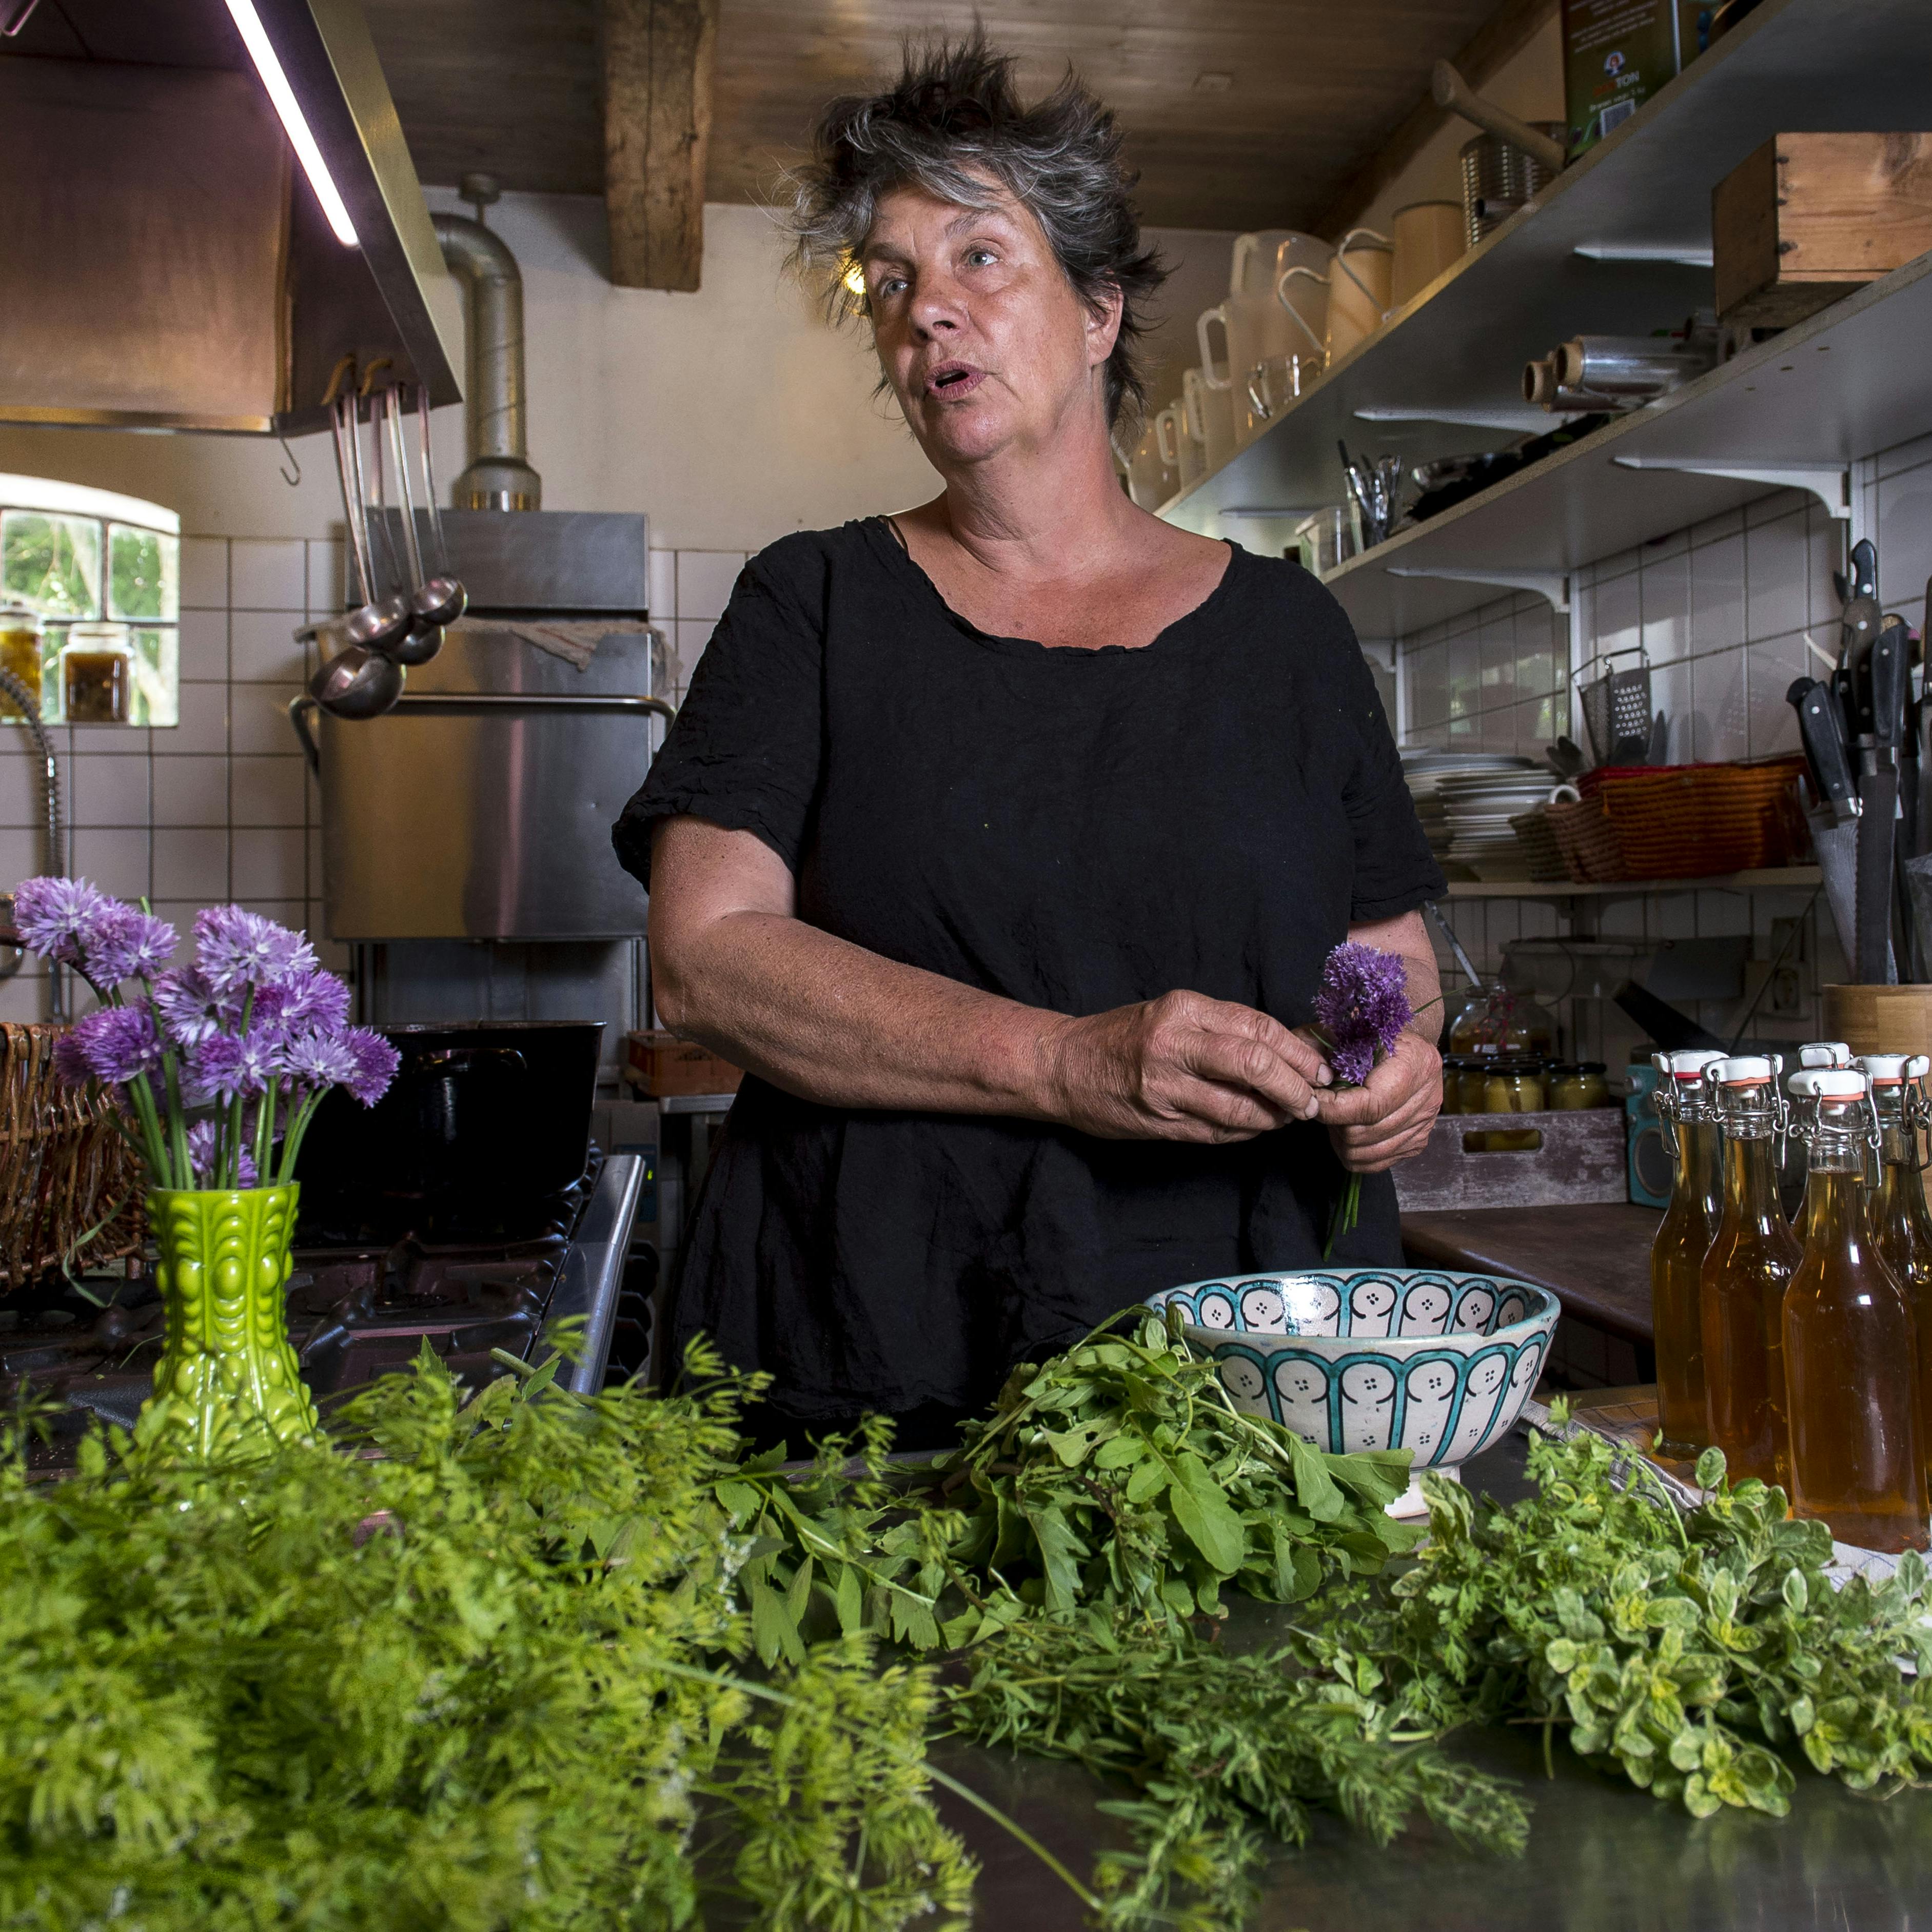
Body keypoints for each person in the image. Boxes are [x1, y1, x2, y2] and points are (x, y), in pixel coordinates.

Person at [613, 36, 1446, 1448]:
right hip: (878, 1348)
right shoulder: (813, 604)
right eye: (891, 283)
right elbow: (706, 958)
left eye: (980, 259)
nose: (926, 312)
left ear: (1103, 311)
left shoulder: (1290, 636)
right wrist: (1068, 1061)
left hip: (1246, 1356)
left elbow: (1390, 961)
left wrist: (1403, 1066)